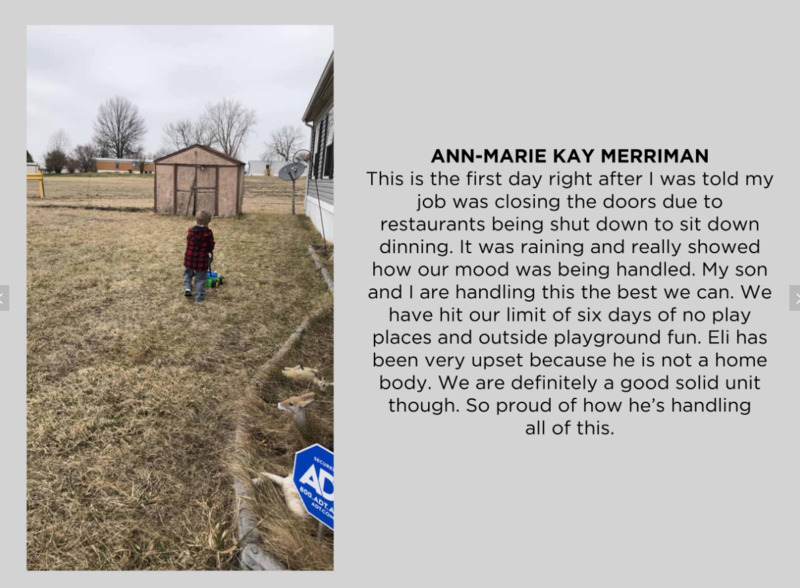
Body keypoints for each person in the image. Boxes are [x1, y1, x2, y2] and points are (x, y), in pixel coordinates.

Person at [183, 210, 215, 303]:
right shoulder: (208, 233)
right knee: (200, 279)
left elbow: (189, 242)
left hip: (189, 258)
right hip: (201, 261)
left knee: (187, 274)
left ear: (196, 221)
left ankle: (187, 288)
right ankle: (199, 298)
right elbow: (210, 247)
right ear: (208, 222)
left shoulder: (191, 231)